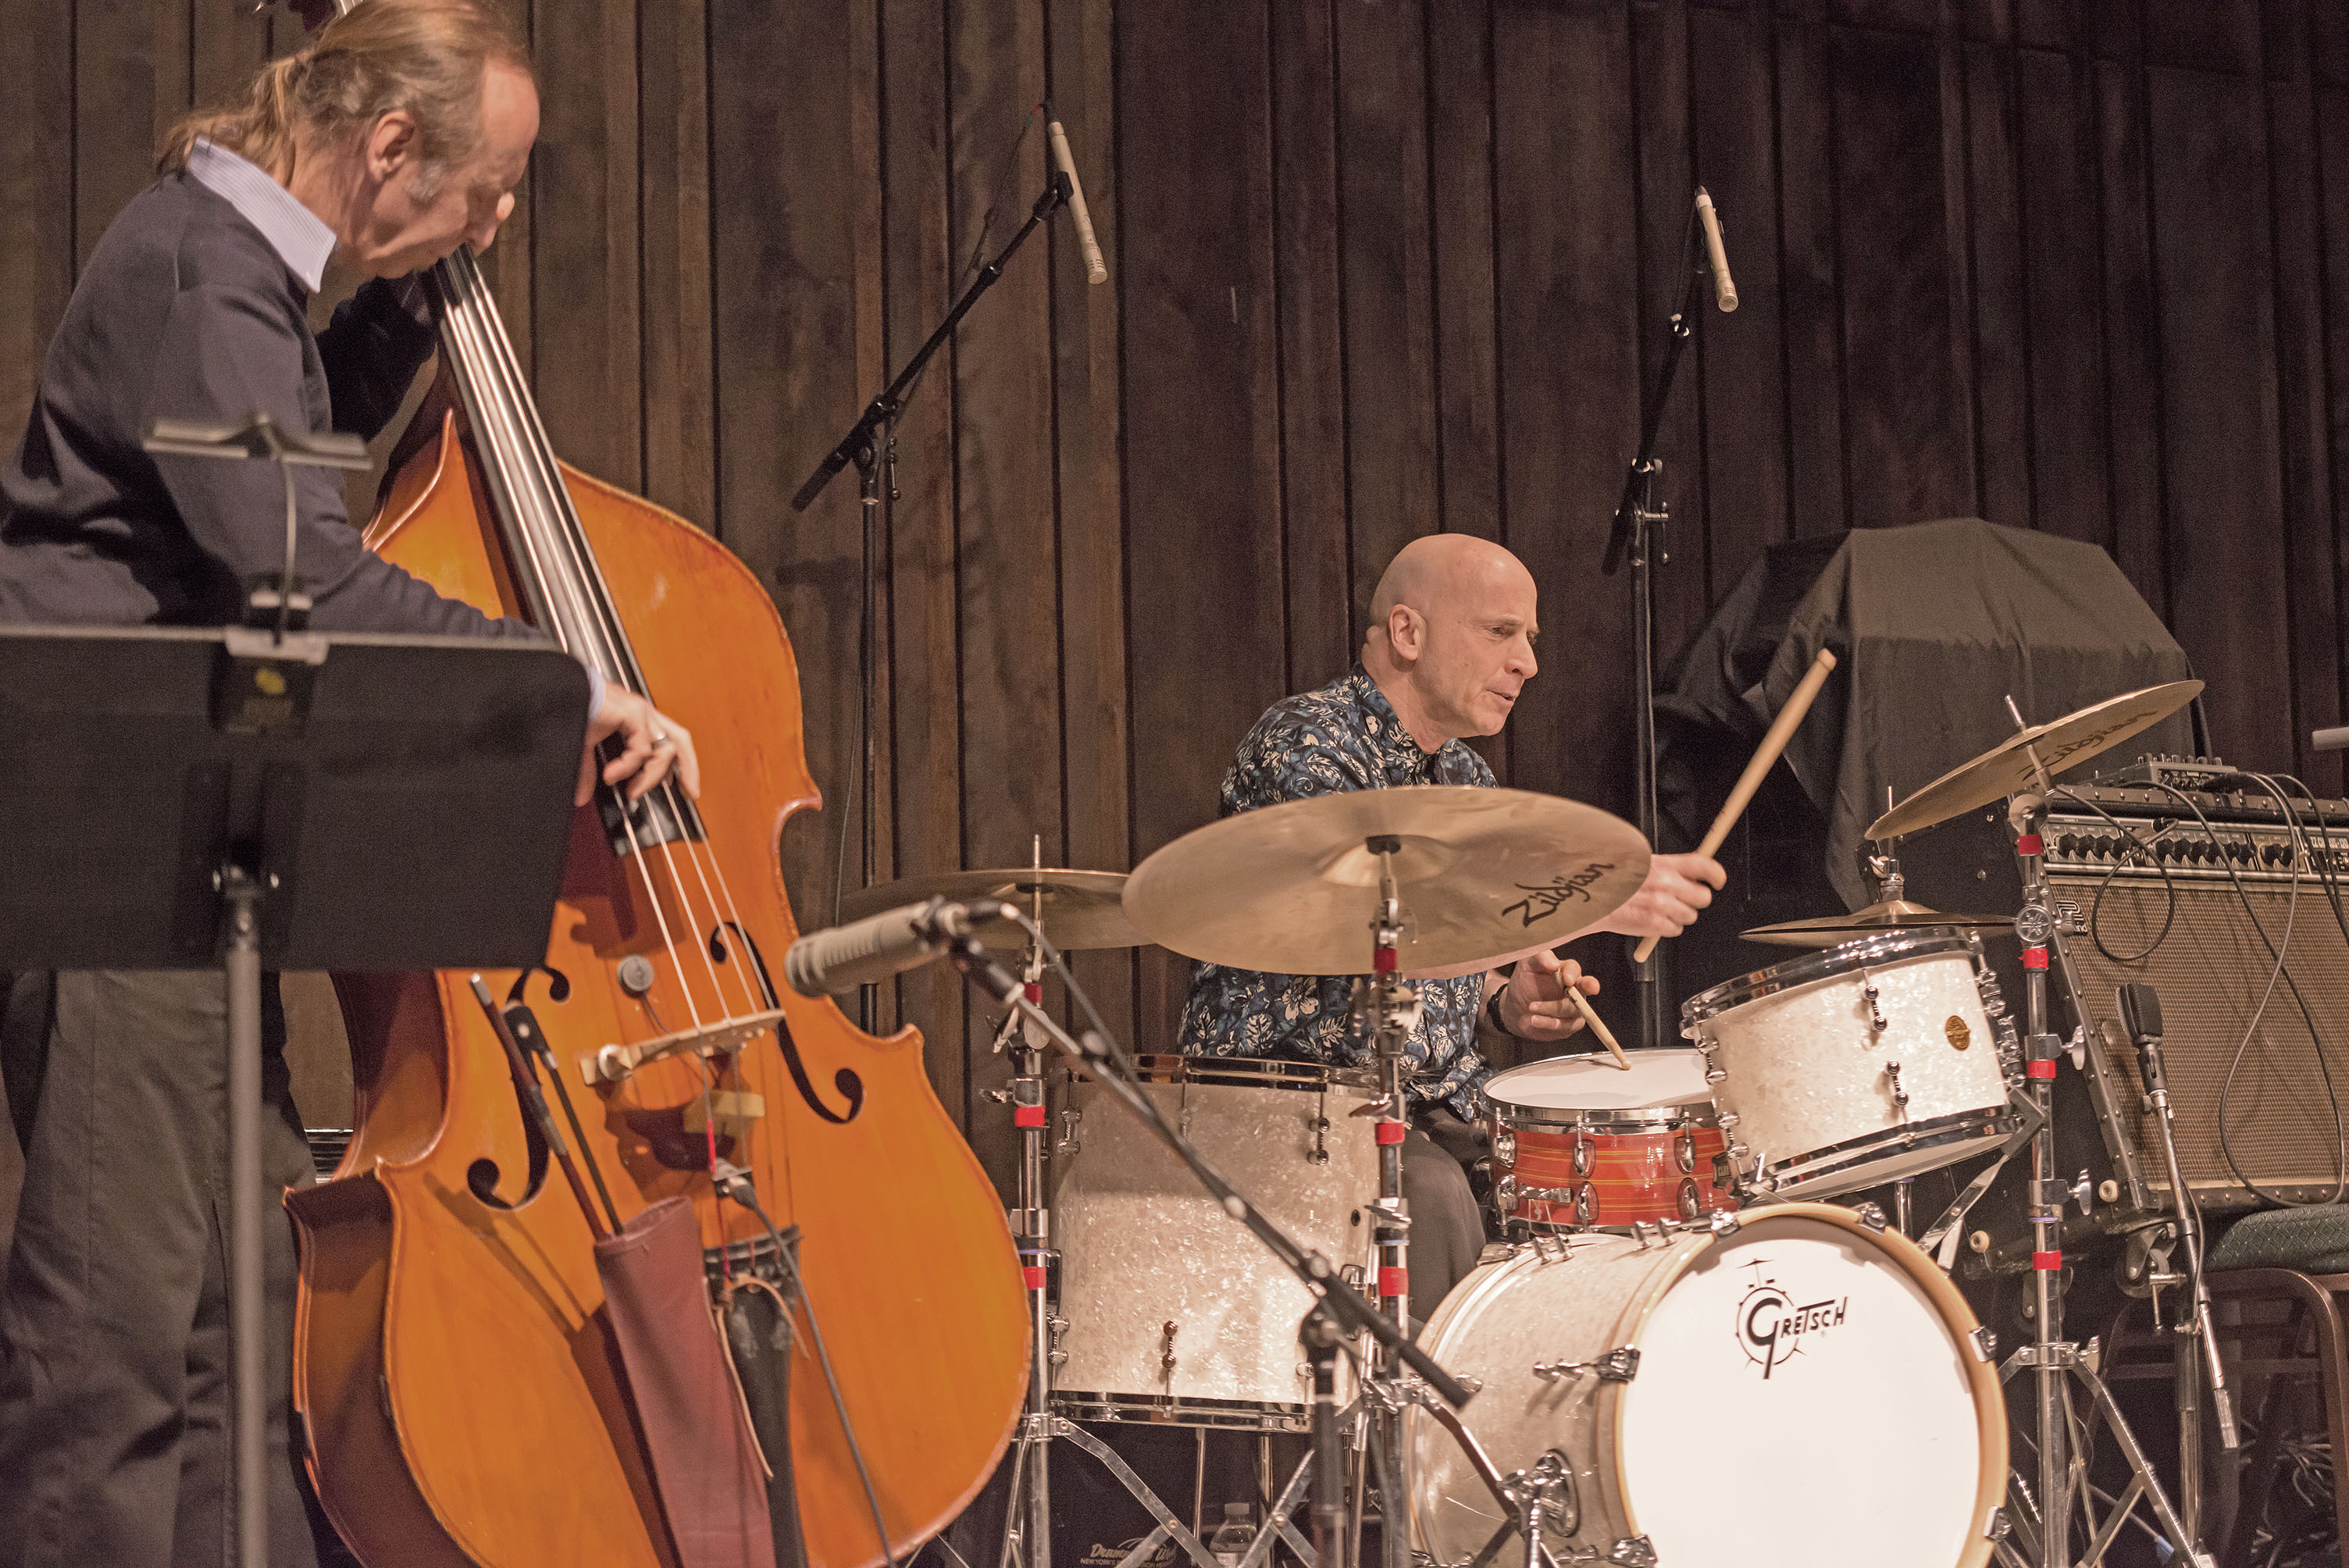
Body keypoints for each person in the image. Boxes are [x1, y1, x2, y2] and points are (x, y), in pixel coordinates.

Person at [0, 5, 692, 1564]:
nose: (500, 222)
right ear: (387, 147)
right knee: (113, 1343)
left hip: (184, 850)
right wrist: (562, 683)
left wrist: (403, 312)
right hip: (109, 840)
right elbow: (300, 579)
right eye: (491, 187)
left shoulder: (230, 277)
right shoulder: (194, 268)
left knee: (228, 1334)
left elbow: (271, 460)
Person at [1178, 533, 1727, 1323]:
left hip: (1430, 1105)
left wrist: (1501, 1000)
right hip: (1294, 1108)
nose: (1527, 663)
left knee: (1593, 1192)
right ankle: (1420, 1447)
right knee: (1429, 1197)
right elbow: (1367, 934)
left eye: (1530, 640)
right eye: (1501, 632)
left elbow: (1435, 964)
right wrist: (1590, 898)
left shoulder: (1466, 778)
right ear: (1407, 633)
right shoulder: (1304, 744)